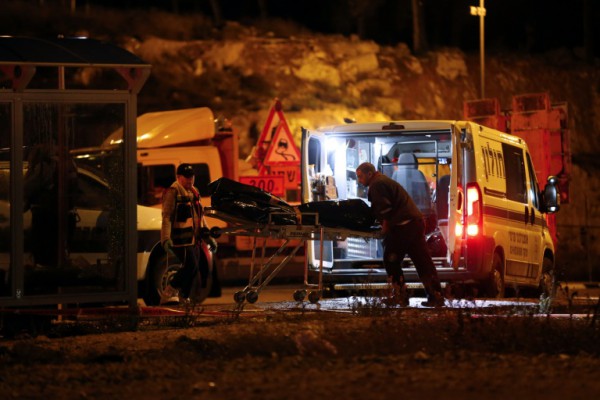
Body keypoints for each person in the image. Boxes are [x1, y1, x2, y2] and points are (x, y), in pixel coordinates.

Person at [356, 162, 445, 307]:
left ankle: (400, 295)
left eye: (360, 177)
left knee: (391, 260)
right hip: (414, 223)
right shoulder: (384, 181)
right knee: (423, 262)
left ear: (369, 174)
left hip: (404, 226)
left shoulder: (377, 185)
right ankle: (436, 296)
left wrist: (384, 231)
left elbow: (386, 210)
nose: (359, 180)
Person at [161, 163, 216, 303]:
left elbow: (200, 216)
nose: (190, 180)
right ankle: (170, 288)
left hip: (194, 239)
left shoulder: (194, 192)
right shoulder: (173, 192)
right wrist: (166, 238)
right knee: (191, 266)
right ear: (178, 177)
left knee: (193, 269)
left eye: (191, 177)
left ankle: (183, 297)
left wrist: (208, 236)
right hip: (180, 239)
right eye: (186, 178)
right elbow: (167, 216)